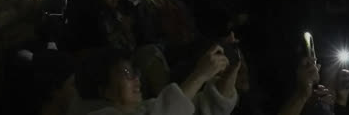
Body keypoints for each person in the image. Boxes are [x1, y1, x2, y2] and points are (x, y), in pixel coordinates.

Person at [71, 46, 238, 115]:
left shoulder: (146, 108)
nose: (136, 78)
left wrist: (230, 68)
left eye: (135, 72)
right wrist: (199, 75)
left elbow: (204, 106)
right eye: (127, 73)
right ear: (104, 89)